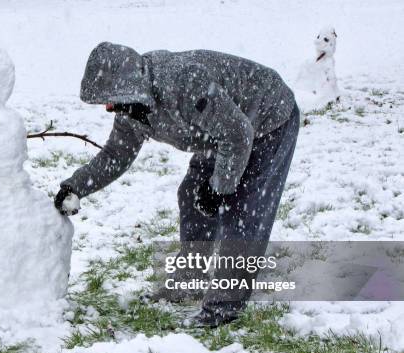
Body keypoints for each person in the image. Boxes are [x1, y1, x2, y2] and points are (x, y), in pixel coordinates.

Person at [54, 42, 300, 327]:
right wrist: (76, 186)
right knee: (192, 194)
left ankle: (223, 308)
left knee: (242, 213)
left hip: (266, 118)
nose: (109, 108)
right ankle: (189, 281)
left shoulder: (184, 83)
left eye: (111, 100)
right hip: (222, 132)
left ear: (129, 87)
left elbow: (238, 133)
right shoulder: (132, 110)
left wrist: (219, 187)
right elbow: (116, 154)